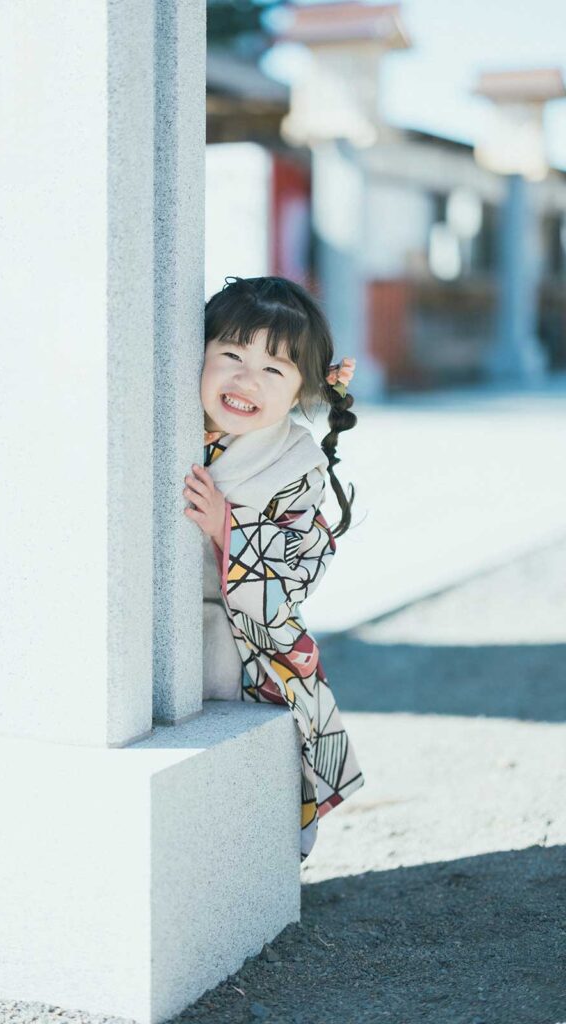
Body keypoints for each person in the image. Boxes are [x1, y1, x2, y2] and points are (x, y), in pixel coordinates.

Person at [182, 275, 365, 862]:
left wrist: (227, 527)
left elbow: (300, 568)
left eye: (273, 370)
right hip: (169, 620)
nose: (245, 381)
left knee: (240, 748)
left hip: (246, 637)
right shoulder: (171, 429)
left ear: (301, 393)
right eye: (231, 355)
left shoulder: (297, 465)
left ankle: (249, 859)